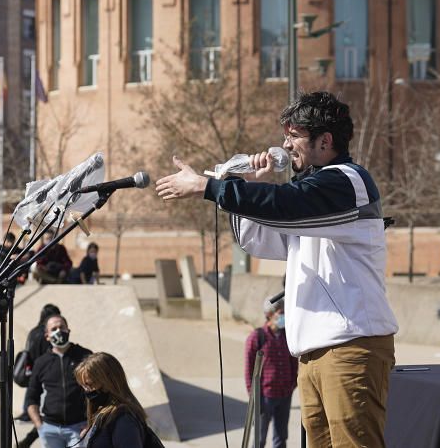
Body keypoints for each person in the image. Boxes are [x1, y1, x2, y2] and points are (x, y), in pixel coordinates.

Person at [157, 91, 399, 447]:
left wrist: (207, 186)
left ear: (324, 140)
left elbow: (285, 205)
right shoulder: (310, 196)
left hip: (351, 348)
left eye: (293, 136)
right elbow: (260, 239)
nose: (285, 144)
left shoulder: (348, 181)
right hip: (313, 352)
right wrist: (252, 181)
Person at [24, 315, 92, 448]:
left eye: (62, 327)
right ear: (47, 336)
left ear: (68, 330)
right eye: (54, 328)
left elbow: (98, 391)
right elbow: (31, 398)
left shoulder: (85, 356)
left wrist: (91, 423)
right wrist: (39, 426)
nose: (59, 331)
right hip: (50, 429)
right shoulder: (41, 363)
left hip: (79, 428)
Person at [245, 297, 299, 448]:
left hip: (284, 396)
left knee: (281, 438)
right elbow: (249, 370)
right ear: (269, 314)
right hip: (264, 397)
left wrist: (291, 385)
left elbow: (293, 363)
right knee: (259, 439)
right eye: (281, 313)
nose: (283, 317)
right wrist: (254, 396)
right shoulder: (257, 337)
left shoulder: (286, 336)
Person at [74, 352, 152, 448]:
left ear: (109, 382)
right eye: (84, 386)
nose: (87, 391)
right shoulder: (105, 412)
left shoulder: (123, 419)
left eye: (90, 385)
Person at [15, 304, 61, 448]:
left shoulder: (33, 332)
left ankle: (27, 435)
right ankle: (28, 440)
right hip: (46, 375)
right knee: (49, 414)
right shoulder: (46, 334)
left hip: (34, 372)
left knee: (34, 401)